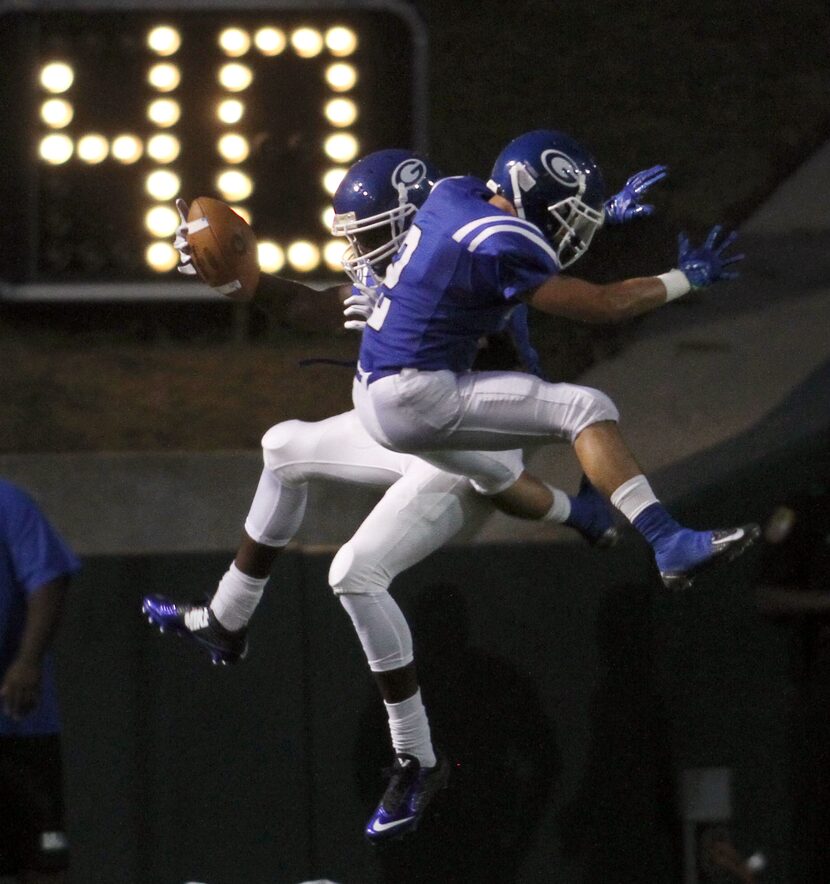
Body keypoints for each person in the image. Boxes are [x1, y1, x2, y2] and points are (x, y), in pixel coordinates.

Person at [142, 146, 668, 843]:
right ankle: (229, 619)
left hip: (463, 425)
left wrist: (597, 224)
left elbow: (544, 271)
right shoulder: (412, 249)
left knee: (357, 571)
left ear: (412, 218)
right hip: (409, 425)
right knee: (283, 447)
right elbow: (318, 306)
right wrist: (249, 286)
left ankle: (416, 758)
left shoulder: (458, 253)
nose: (358, 248)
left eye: (370, 232)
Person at [352, 128, 759, 603]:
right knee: (585, 407)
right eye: (570, 217)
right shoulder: (503, 241)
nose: (574, 230)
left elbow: (494, 244)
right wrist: (684, 279)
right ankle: (669, 541)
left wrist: (600, 215)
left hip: (371, 387)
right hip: (414, 394)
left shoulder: (455, 190)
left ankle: (584, 516)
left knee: (495, 473)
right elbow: (603, 305)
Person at [0, 479, 80, 884]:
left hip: (16, 725)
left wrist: (27, 662)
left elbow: (48, 577)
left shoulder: (6, 502)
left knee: (42, 861)